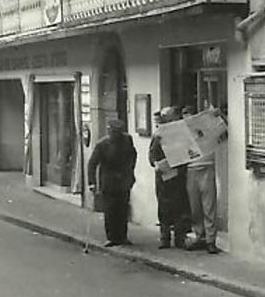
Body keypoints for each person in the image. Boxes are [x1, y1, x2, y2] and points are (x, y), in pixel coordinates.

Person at [182, 102, 228, 254]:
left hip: (207, 167)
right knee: (195, 207)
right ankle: (199, 236)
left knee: (209, 206)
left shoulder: (207, 129)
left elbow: (223, 130)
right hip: (191, 170)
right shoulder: (182, 134)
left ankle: (210, 240)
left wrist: (216, 116)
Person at [86, 118, 138, 247]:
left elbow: (133, 155)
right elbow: (92, 164)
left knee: (123, 209)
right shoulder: (102, 144)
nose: (115, 135)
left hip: (124, 180)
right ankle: (112, 237)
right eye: (113, 132)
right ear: (109, 131)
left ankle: (123, 236)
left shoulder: (127, 140)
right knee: (110, 210)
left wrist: (130, 171)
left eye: (118, 132)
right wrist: (91, 182)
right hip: (109, 180)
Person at [148, 107, 192, 249]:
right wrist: (157, 164)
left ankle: (179, 237)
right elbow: (152, 155)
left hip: (178, 175)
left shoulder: (180, 134)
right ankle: (164, 237)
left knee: (179, 206)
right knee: (164, 207)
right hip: (163, 176)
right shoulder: (159, 134)